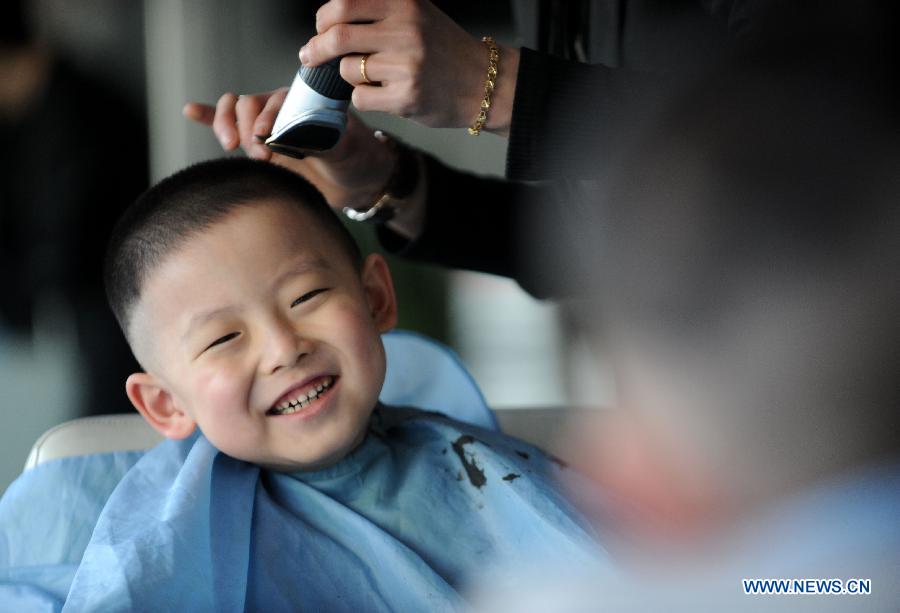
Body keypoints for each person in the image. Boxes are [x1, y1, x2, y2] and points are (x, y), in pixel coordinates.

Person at [0, 158, 608, 610]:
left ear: (375, 297)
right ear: (165, 404)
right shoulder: (148, 545)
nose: (284, 348)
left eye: (307, 297)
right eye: (221, 339)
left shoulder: (494, 474)